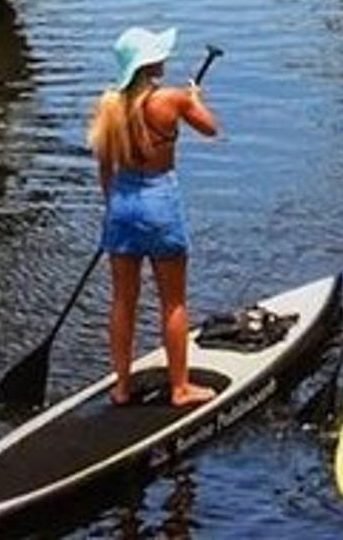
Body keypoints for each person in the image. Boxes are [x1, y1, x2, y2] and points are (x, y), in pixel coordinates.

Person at [87, 26, 221, 407]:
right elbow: (211, 129)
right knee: (173, 302)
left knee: (122, 301)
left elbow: (105, 169)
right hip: (160, 203)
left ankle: (121, 387)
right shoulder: (172, 100)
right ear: (148, 63)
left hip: (121, 205)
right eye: (159, 54)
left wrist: (112, 210)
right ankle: (180, 388)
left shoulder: (109, 105)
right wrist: (194, 99)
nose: (165, 58)